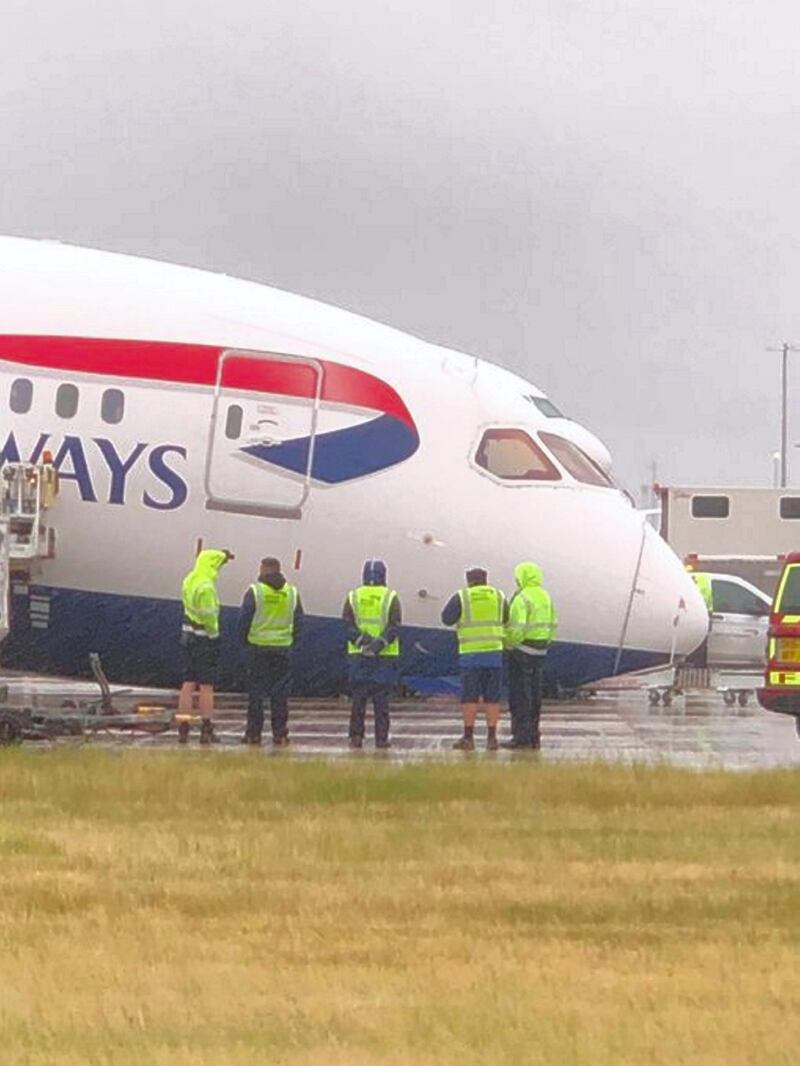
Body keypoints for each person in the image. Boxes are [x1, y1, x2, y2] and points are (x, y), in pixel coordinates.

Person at [441, 567, 509, 751]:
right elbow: (506, 619)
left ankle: (468, 737)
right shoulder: (499, 596)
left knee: (469, 698)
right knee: (492, 698)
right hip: (494, 654)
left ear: (469, 581)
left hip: (470, 656)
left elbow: (446, 619)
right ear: (486, 580)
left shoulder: (462, 597)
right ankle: (492, 738)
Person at [239, 557, 303, 747]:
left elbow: (244, 620)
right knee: (280, 695)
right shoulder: (291, 593)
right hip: (282, 649)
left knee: (256, 695)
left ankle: (253, 734)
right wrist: (292, 642)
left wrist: (244, 642)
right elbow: (299, 621)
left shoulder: (255, 592)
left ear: (263, 570)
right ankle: (280, 733)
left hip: (258, 649)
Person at [343, 559, 401, 749]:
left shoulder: (353, 596)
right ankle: (381, 738)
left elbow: (347, 624)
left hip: (358, 654)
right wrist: (379, 644)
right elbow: (395, 626)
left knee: (358, 699)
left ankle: (356, 736)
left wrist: (362, 641)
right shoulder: (390, 596)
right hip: (384, 656)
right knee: (381, 701)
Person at [178, 548, 233, 743]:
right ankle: (206, 728)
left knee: (187, 683)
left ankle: (183, 727)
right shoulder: (206, 587)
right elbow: (209, 616)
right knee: (206, 686)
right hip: (204, 639)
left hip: (188, 635)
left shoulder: (189, 579)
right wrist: (214, 635)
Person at [504, 562, 557, 750]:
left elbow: (517, 628)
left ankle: (521, 737)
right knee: (535, 694)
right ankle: (534, 735)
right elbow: (553, 623)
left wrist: (508, 644)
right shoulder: (545, 597)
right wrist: (545, 642)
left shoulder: (522, 598)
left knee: (520, 695)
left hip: (522, 652)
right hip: (540, 651)